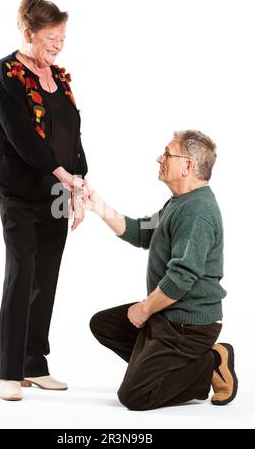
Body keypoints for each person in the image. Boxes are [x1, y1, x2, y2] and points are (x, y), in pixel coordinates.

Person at [0, 0, 88, 401]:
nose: (58, 45)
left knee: (45, 279)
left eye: (61, 37)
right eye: (50, 38)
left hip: (57, 195)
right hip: (19, 195)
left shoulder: (59, 79)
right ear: (27, 33)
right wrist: (63, 176)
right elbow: (23, 138)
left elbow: (72, 134)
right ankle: (9, 372)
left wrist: (79, 182)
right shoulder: (4, 77)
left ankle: (34, 365)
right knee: (21, 274)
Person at [87, 130, 238, 410]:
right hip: (168, 316)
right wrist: (97, 205)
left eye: (167, 153)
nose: (160, 158)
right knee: (104, 325)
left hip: (188, 327)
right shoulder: (179, 203)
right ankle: (158, 368)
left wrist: (144, 309)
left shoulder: (197, 212)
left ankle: (211, 362)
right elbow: (143, 233)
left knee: (134, 397)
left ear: (188, 166)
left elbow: (181, 278)